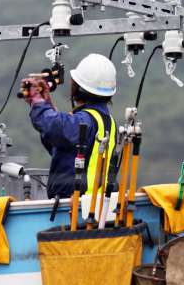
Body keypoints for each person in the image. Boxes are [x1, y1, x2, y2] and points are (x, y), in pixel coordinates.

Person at [22, 53, 117, 199]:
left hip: (76, 209)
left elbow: (54, 127)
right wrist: (46, 103)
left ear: (79, 88)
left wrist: (37, 101)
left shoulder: (86, 121)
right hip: (96, 207)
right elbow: (61, 145)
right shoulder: (105, 121)